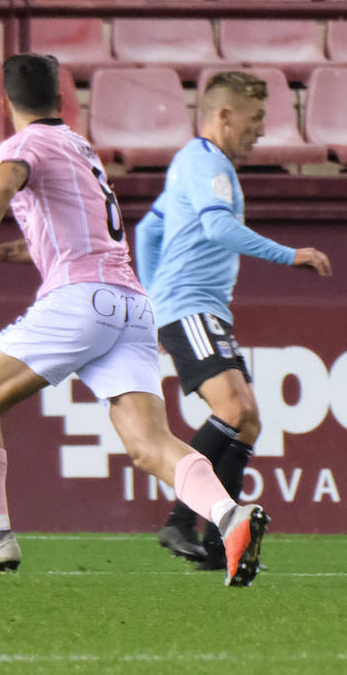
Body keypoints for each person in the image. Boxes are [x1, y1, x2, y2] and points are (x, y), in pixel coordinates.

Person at [0, 54, 269, 587]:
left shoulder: (23, 146)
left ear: (3, 104)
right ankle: (230, 518)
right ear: (63, 100)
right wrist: (0, 254)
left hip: (79, 300)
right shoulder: (79, 147)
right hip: (131, 305)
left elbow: (3, 182)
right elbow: (69, 235)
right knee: (148, 443)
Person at [135, 71, 331, 570]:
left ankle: (221, 547)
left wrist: (156, 299)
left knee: (248, 421)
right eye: (256, 117)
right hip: (193, 307)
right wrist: (291, 255)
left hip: (197, 309)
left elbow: (148, 229)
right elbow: (218, 227)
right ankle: (180, 521)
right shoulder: (207, 163)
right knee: (235, 412)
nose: (261, 129)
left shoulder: (190, 162)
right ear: (224, 116)